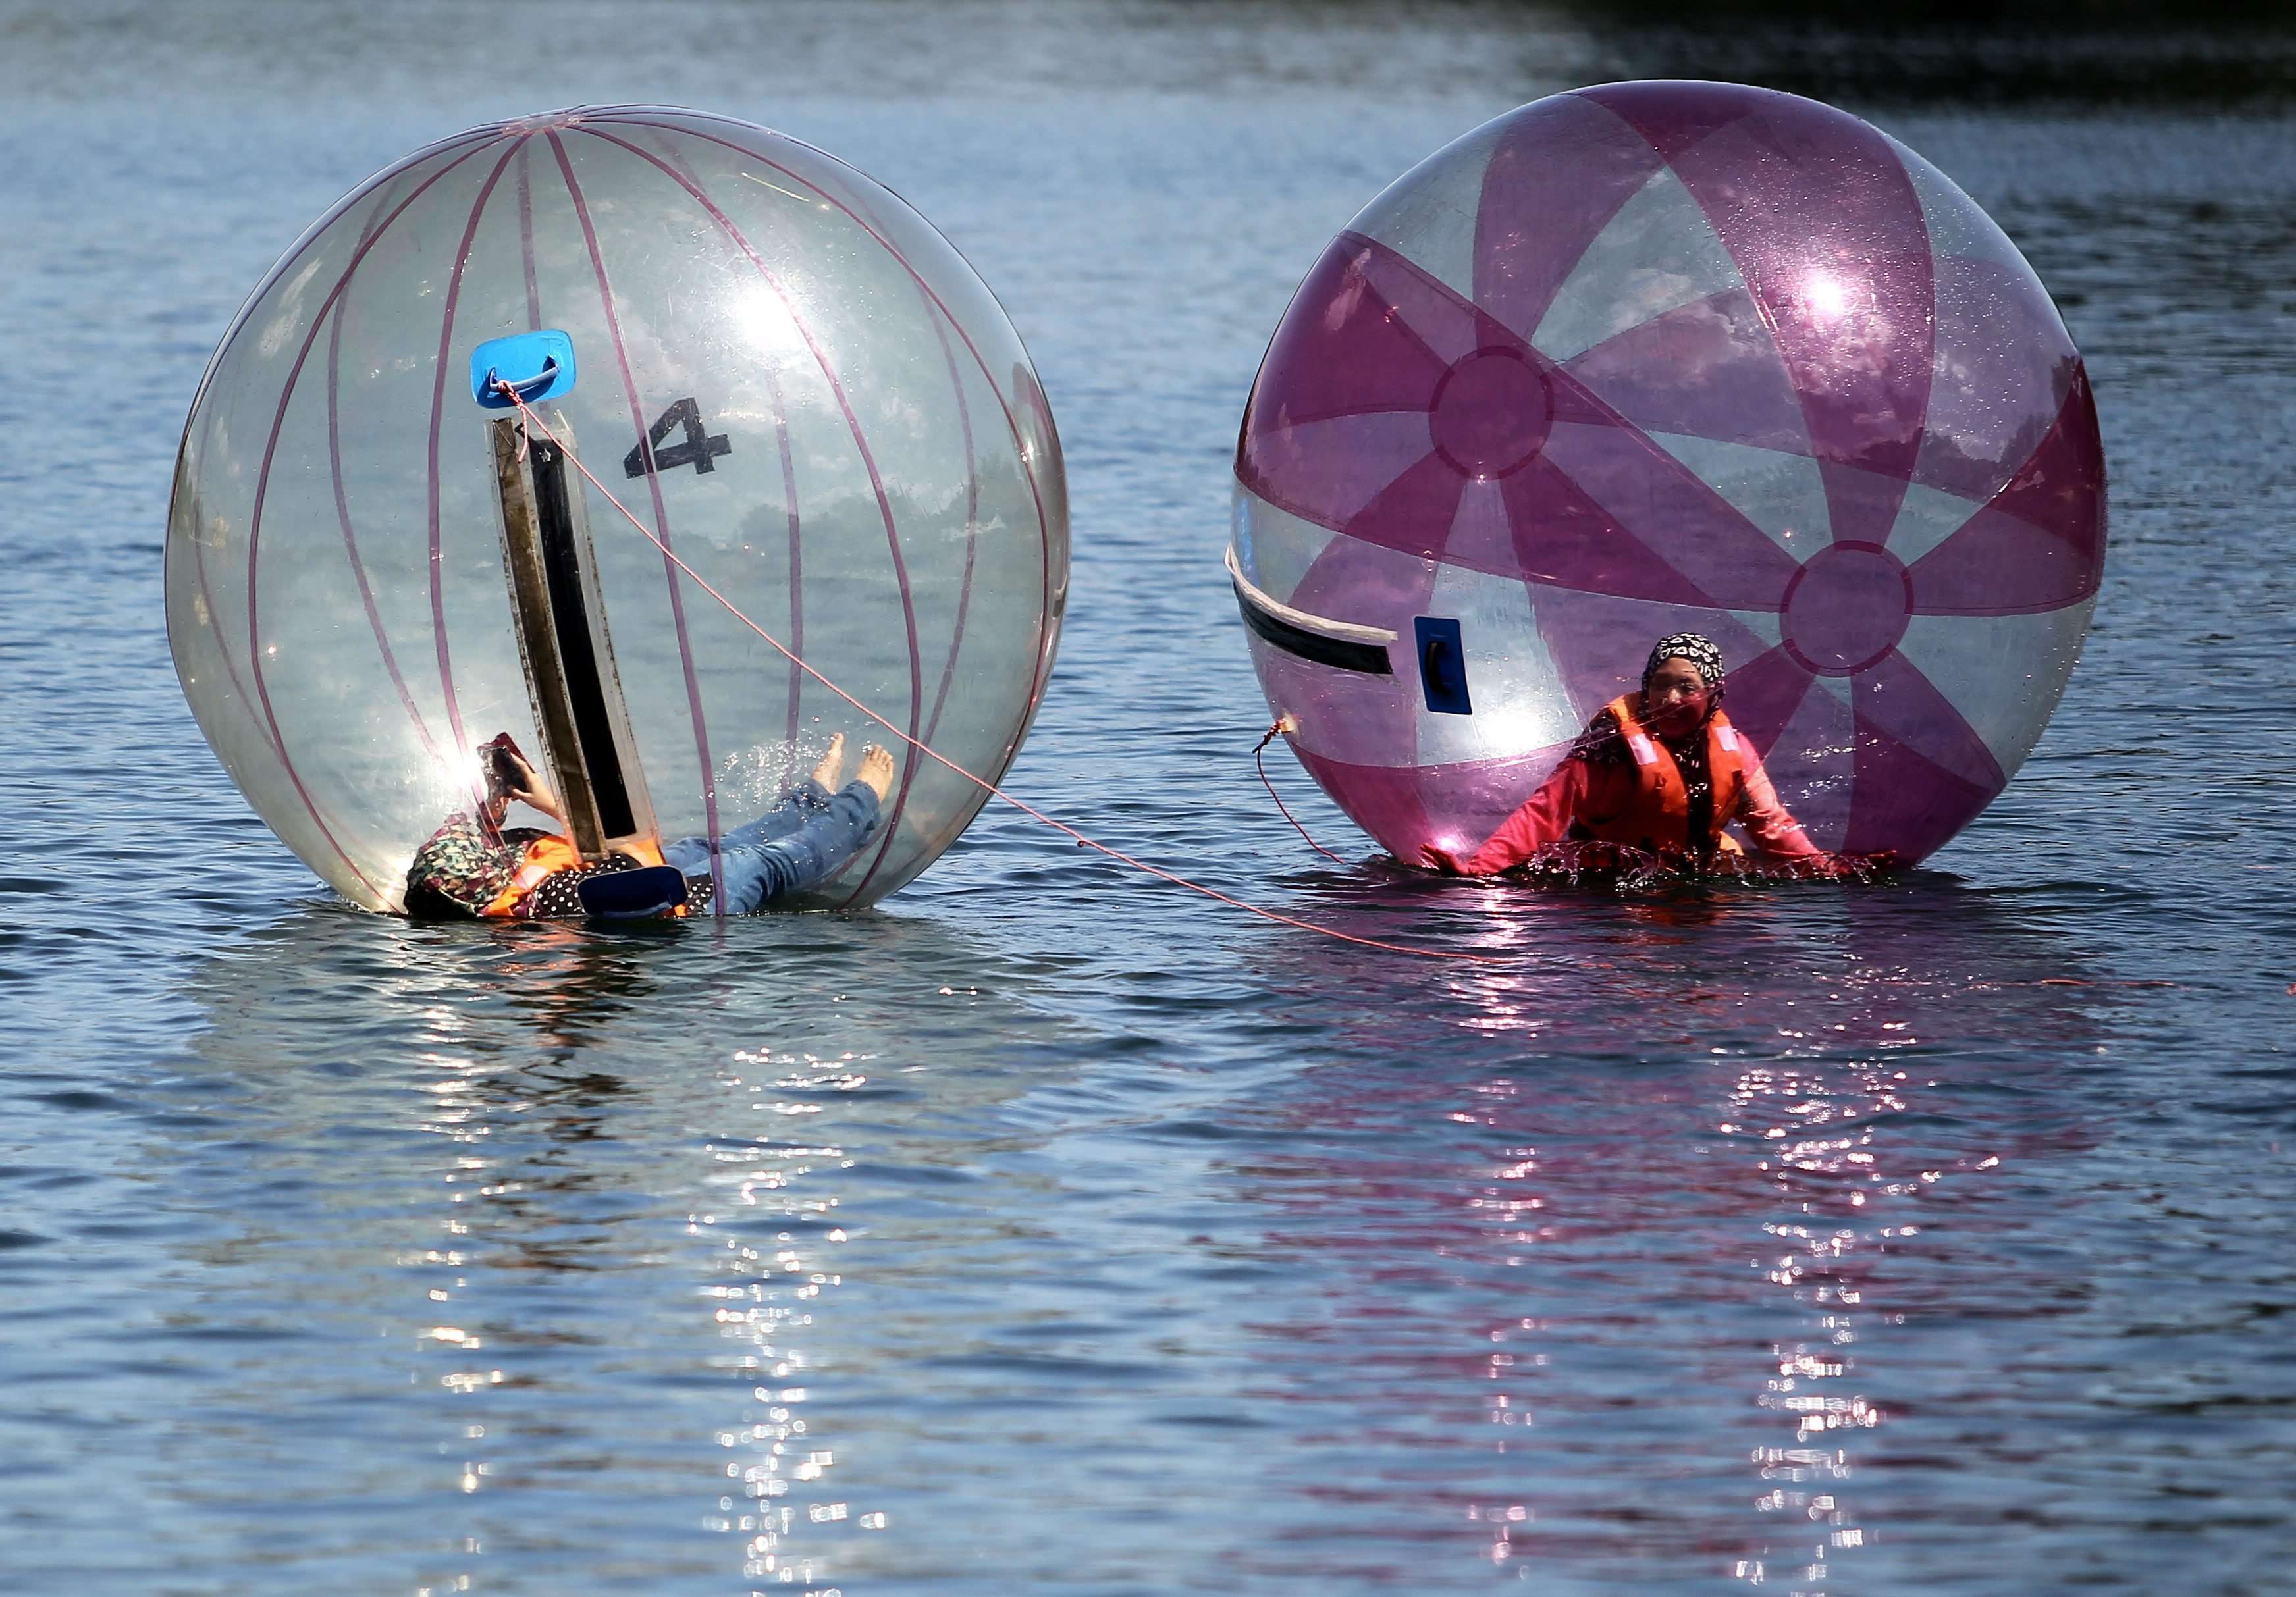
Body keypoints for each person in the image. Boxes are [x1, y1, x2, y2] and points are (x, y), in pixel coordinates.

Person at [1422, 633, 1837, 877]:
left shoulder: (1732, 749)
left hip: (1697, 886)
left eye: (1687, 687)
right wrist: (1479, 870)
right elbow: (1544, 811)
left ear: (1712, 694)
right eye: (1660, 685)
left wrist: (1828, 871)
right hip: (1608, 889)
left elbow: (1772, 826)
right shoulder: (1611, 745)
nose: (1671, 699)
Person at [404, 731, 895, 919]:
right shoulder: (550, 900)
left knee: (719, 844)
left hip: (629, 871)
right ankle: (861, 800)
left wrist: (504, 793)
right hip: (678, 901)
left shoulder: (487, 879)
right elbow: (632, 846)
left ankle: (810, 799)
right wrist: (557, 804)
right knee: (757, 862)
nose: (493, 844)